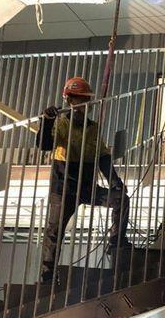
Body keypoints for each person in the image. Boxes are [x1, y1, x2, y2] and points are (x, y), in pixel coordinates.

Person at [37, 76, 131, 285]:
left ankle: (116, 243)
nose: (81, 105)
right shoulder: (60, 123)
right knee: (55, 232)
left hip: (87, 187)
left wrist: (114, 181)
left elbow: (103, 157)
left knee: (120, 200)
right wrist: (46, 121)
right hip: (63, 188)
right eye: (77, 100)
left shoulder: (93, 128)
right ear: (69, 100)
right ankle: (47, 276)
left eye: (84, 100)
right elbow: (44, 145)